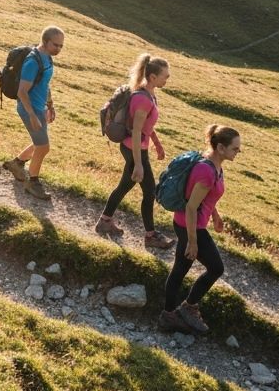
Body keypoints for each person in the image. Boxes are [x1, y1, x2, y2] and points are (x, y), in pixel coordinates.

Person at [159, 125, 241, 335]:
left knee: (180, 269)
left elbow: (206, 197)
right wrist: (192, 241)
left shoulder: (215, 165)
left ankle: (170, 314)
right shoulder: (206, 170)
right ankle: (187, 307)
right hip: (190, 225)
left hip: (191, 223)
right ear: (221, 147)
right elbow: (191, 206)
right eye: (235, 148)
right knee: (216, 268)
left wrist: (215, 215)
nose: (237, 152)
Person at [95, 54, 175, 249]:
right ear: (153, 77)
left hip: (136, 147)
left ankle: (105, 221)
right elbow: (137, 130)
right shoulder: (143, 100)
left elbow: (146, 126)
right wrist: (139, 163)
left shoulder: (148, 94)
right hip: (134, 149)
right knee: (149, 192)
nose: (168, 78)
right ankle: (150, 236)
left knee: (125, 186)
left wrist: (157, 143)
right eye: (165, 75)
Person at [1, 26, 65, 201]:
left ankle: (17, 163)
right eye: (55, 45)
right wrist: (32, 115)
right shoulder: (33, 61)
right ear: (45, 41)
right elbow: (22, 91)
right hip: (29, 108)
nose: (58, 49)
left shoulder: (47, 58)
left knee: (40, 143)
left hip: (39, 107)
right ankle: (33, 183)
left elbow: (45, 84)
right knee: (43, 147)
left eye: (61, 46)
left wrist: (50, 105)